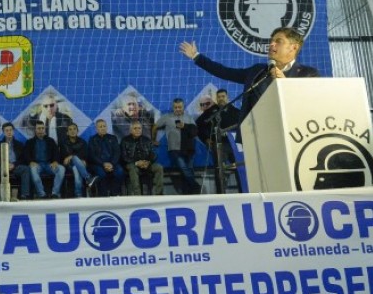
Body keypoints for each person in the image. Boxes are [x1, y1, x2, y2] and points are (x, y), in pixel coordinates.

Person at [179, 27, 319, 131]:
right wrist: (196, 56)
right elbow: (225, 72)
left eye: (278, 41)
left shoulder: (307, 74)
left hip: (292, 133)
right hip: (255, 134)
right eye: (271, 41)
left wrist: (286, 85)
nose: (272, 44)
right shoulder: (257, 71)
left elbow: (311, 106)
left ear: (293, 47)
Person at [153, 98, 201, 194]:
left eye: (179, 107)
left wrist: (185, 126)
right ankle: (196, 186)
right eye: (175, 107)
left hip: (189, 149)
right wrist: (154, 140)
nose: (178, 109)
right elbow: (155, 126)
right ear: (173, 107)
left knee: (189, 170)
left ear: (183, 107)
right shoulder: (167, 117)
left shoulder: (189, 117)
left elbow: (195, 131)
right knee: (184, 168)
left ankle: (189, 194)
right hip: (174, 149)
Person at [0, 122, 31, 201]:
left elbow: (23, 159)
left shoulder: (19, 144)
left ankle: (25, 195)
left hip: (15, 167)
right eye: (6, 130)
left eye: (10, 130)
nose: (9, 132)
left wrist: (14, 164)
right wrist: (5, 165)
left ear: (13, 131)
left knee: (26, 169)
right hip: (2, 167)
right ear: (3, 132)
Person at [23, 120, 65, 199]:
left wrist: (55, 161)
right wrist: (30, 162)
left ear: (44, 129)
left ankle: (55, 193)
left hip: (49, 165)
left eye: (42, 128)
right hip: (37, 165)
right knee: (33, 170)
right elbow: (26, 154)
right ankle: (42, 194)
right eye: (39, 128)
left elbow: (56, 152)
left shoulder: (51, 141)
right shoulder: (29, 142)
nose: (41, 130)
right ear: (35, 130)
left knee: (61, 168)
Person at [120, 121, 164, 195]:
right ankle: (138, 195)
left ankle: (158, 194)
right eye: (135, 128)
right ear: (130, 130)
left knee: (159, 167)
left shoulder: (147, 140)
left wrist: (148, 162)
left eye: (139, 128)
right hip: (133, 164)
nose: (137, 130)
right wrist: (137, 163)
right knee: (132, 168)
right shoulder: (125, 140)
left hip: (147, 164)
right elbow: (123, 156)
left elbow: (154, 154)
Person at [58, 123, 98, 198]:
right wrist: (72, 157)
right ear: (67, 132)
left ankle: (78, 194)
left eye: (74, 129)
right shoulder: (63, 143)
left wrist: (76, 158)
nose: (72, 131)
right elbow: (63, 157)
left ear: (77, 131)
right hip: (68, 165)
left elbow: (85, 155)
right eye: (70, 129)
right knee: (74, 159)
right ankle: (88, 178)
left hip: (80, 165)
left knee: (76, 169)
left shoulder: (82, 142)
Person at [88, 119, 124, 196]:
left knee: (119, 171)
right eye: (100, 126)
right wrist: (103, 164)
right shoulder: (92, 139)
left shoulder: (113, 138)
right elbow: (92, 155)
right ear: (96, 129)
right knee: (101, 174)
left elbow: (117, 152)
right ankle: (103, 195)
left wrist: (112, 164)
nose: (103, 128)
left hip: (112, 163)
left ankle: (115, 194)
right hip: (98, 164)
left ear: (107, 127)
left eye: (104, 126)